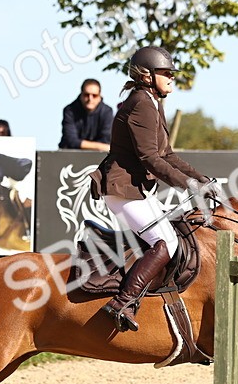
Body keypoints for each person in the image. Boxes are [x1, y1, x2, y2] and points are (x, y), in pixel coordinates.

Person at [90, 46, 222, 332]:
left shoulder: (152, 101)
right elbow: (150, 158)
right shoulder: (141, 103)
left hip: (135, 189)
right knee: (166, 242)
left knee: (171, 236)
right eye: (166, 73)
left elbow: (167, 155)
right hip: (122, 188)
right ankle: (122, 303)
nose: (172, 78)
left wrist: (200, 179)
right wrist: (188, 185)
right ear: (146, 75)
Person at [60, 78, 113, 151]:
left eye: (94, 95)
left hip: (99, 155)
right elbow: (71, 141)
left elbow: (106, 139)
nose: (90, 99)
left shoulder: (107, 112)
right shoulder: (69, 111)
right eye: (86, 95)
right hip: (71, 154)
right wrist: (100, 147)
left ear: (100, 96)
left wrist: (83, 144)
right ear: (81, 94)